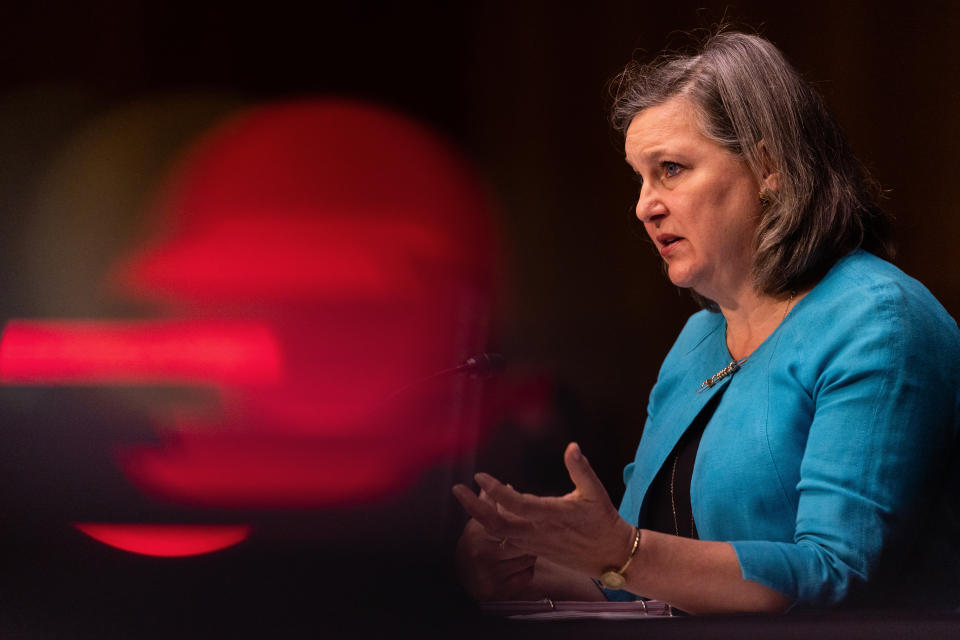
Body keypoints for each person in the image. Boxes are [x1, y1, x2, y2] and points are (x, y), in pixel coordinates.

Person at [452, 30, 960, 614]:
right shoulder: (697, 343)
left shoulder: (878, 321)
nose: (645, 205)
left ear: (769, 167)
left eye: (671, 169)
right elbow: (648, 575)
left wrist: (623, 552)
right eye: (639, 178)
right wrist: (526, 562)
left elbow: (837, 573)